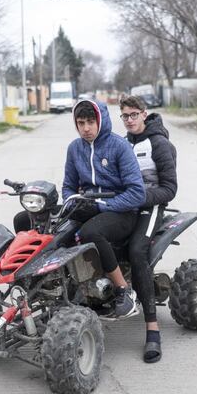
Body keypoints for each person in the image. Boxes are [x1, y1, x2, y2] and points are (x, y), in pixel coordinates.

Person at [63, 99, 146, 317]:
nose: (86, 128)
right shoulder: (74, 148)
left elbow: (137, 193)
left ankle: (123, 292)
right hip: (89, 207)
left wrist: (103, 205)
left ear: (101, 120)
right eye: (81, 123)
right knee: (41, 225)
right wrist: (72, 201)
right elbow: (68, 186)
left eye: (91, 122)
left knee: (91, 232)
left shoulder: (119, 146)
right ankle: (62, 287)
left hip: (121, 211)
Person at [120, 95, 177, 363]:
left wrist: (139, 198)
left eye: (134, 114)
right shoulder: (121, 144)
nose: (129, 120)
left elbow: (169, 189)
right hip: (123, 206)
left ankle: (152, 328)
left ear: (144, 114)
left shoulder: (159, 144)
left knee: (136, 250)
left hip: (150, 205)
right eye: (125, 116)